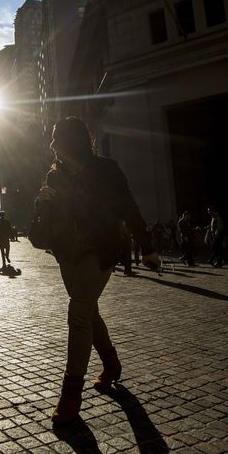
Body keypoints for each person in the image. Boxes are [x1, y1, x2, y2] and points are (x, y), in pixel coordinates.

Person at [34, 116, 160, 424]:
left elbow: (129, 207)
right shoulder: (55, 177)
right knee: (89, 313)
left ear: (72, 141)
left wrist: (148, 247)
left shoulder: (107, 170)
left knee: (78, 314)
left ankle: (70, 396)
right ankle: (112, 364)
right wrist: (42, 203)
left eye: (56, 138)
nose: (52, 145)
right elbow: (46, 225)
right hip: (67, 254)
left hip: (100, 251)